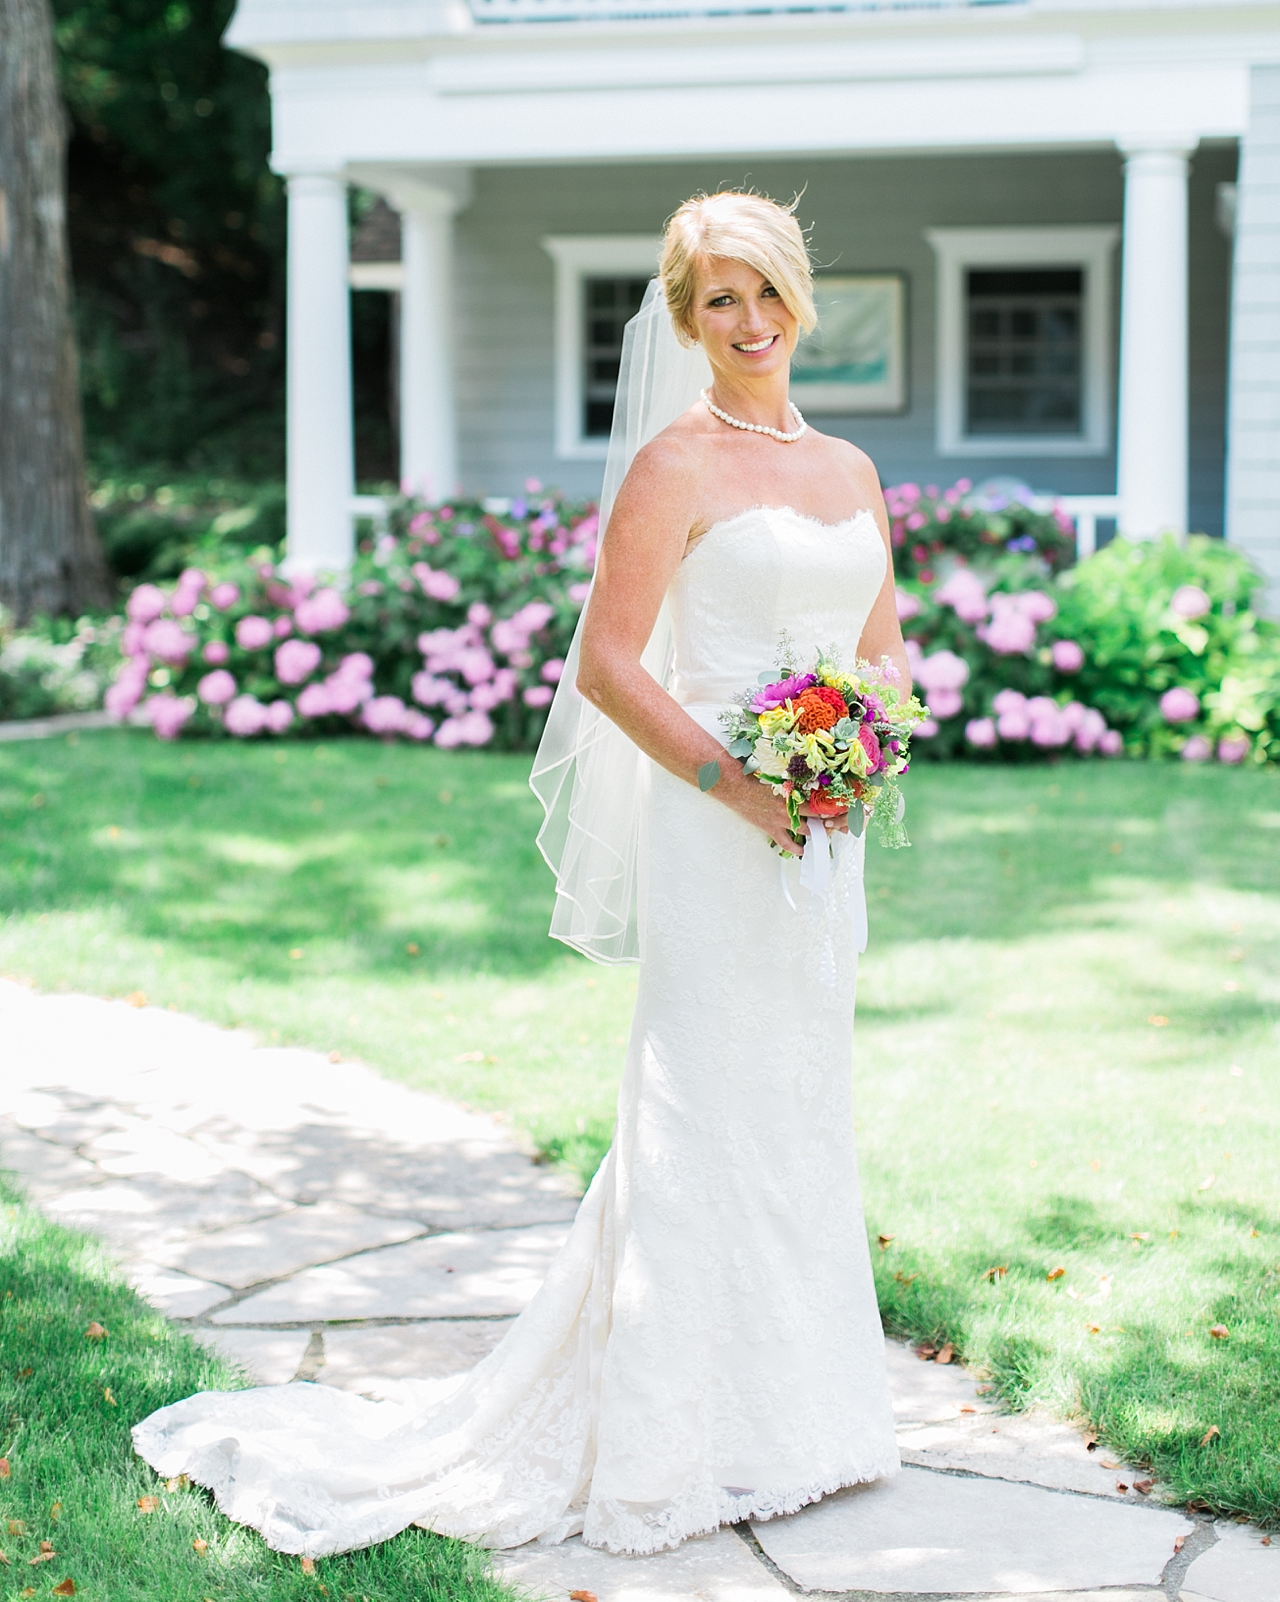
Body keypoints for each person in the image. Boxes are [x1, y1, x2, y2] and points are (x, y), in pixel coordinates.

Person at [133, 190, 910, 1561]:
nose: (750, 321)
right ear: (685, 318)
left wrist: (861, 752)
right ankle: (673, 1447)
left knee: (797, 1107)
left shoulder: (850, 471)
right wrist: (742, 783)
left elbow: (883, 645)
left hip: (821, 838)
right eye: (718, 298)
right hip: (714, 821)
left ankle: (804, 1423)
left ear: (803, 296)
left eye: (768, 291)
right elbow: (609, 666)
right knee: (702, 1105)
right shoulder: (674, 465)